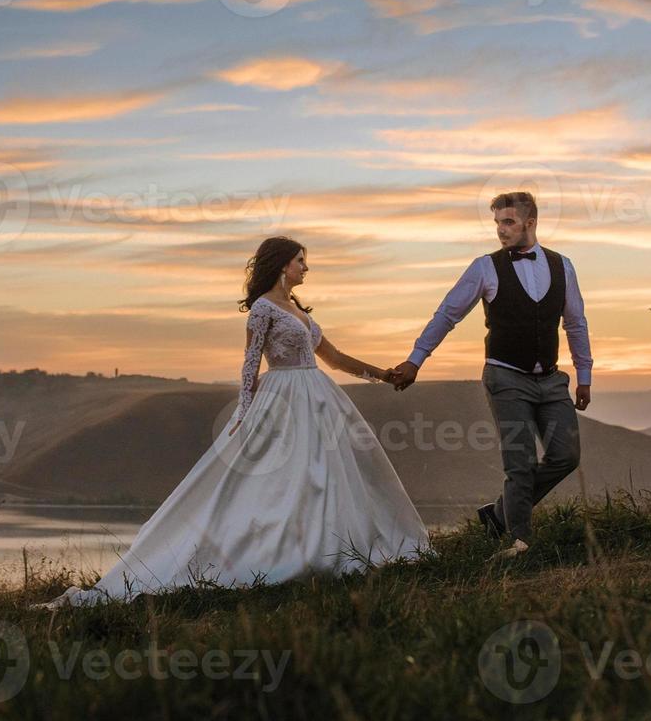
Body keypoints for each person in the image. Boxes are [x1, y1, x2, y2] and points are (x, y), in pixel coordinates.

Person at [39, 236, 429, 608]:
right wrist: (244, 413)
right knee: (282, 477)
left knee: (326, 473)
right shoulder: (263, 309)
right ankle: (280, 552)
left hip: (319, 396)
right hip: (282, 399)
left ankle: (329, 547)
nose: (306, 268)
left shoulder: (299, 310)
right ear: (282, 265)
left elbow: (336, 358)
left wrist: (384, 374)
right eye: (300, 261)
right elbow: (250, 362)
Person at [390, 191, 593, 561]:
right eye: (498, 222)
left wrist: (585, 374)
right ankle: (520, 542)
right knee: (520, 462)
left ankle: (498, 515)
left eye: (509, 222)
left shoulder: (564, 266)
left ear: (530, 222)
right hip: (505, 377)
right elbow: (446, 314)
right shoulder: (485, 267)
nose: (501, 230)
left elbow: (576, 323)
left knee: (567, 455)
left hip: (551, 380)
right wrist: (415, 360)